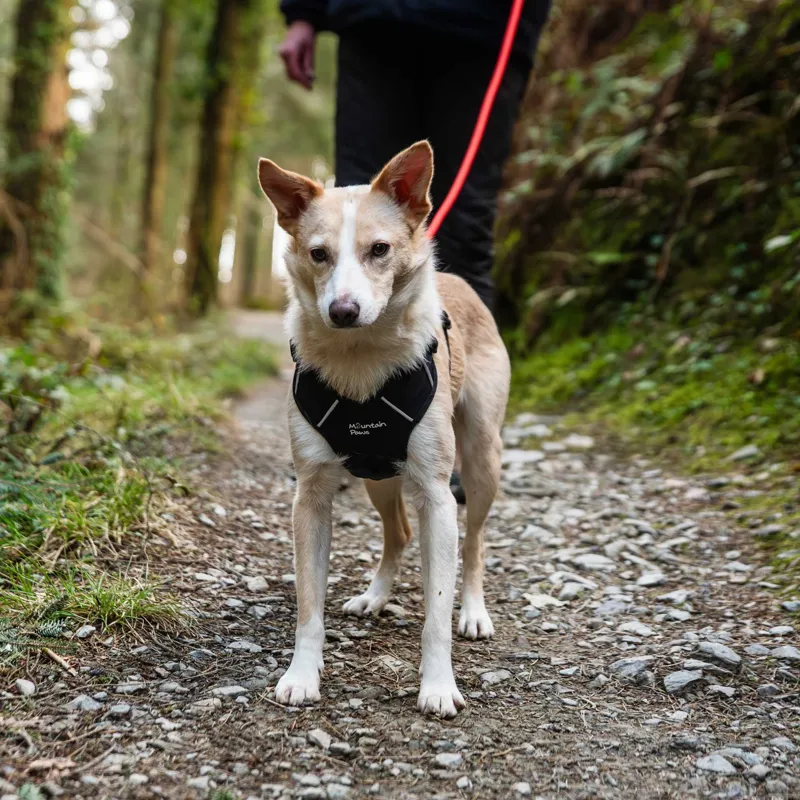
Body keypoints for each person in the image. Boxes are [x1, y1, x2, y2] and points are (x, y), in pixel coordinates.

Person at [277, 0, 552, 501]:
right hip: (372, 20)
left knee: (464, 221)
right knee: (351, 213)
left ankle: (445, 440)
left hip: (483, 27)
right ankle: (339, 436)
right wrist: (302, 13)